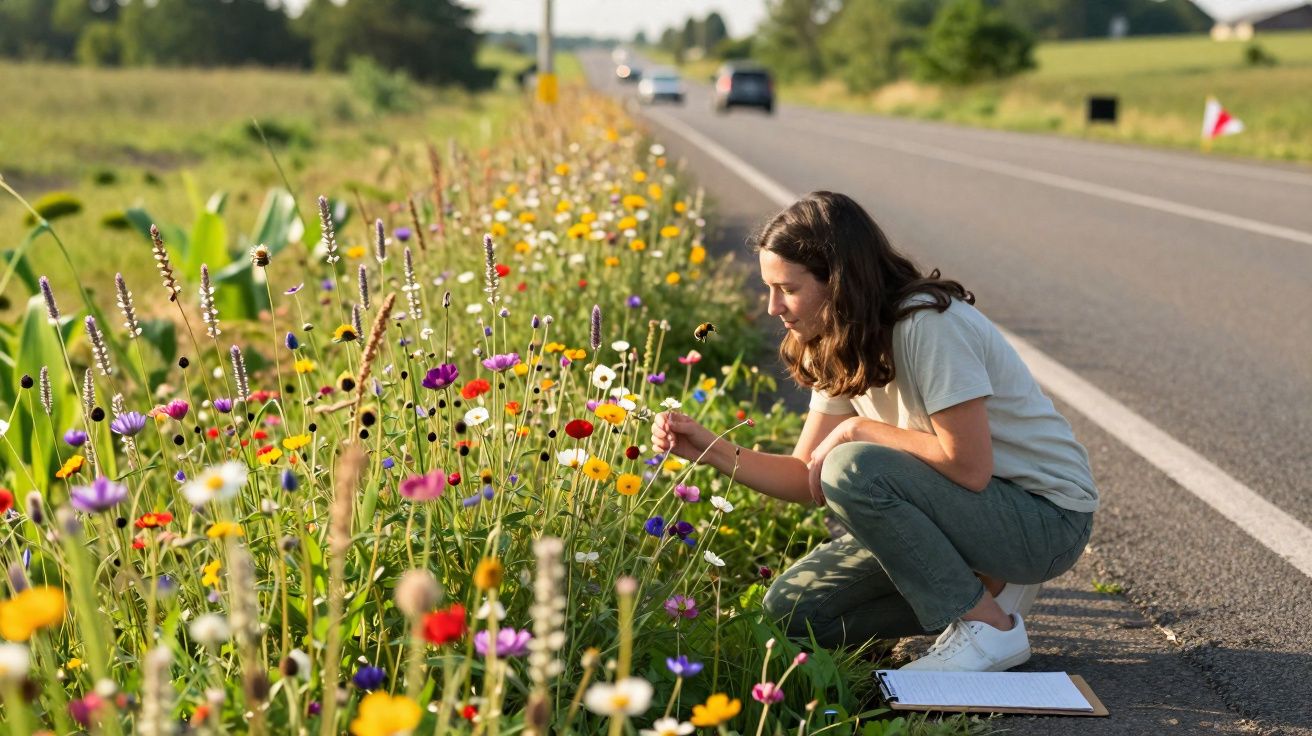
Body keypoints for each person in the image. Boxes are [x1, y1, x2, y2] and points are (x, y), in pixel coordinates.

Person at [650, 191, 1098, 672]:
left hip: (1044, 522)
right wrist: (711, 450)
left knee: (852, 465)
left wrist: (859, 429)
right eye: (769, 288)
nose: (772, 307)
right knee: (792, 612)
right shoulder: (837, 337)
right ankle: (982, 584)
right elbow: (807, 475)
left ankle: (988, 629)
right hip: (965, 516)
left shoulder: (928, 324)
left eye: (788, 289)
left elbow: (968, 467)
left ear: (839, 282)